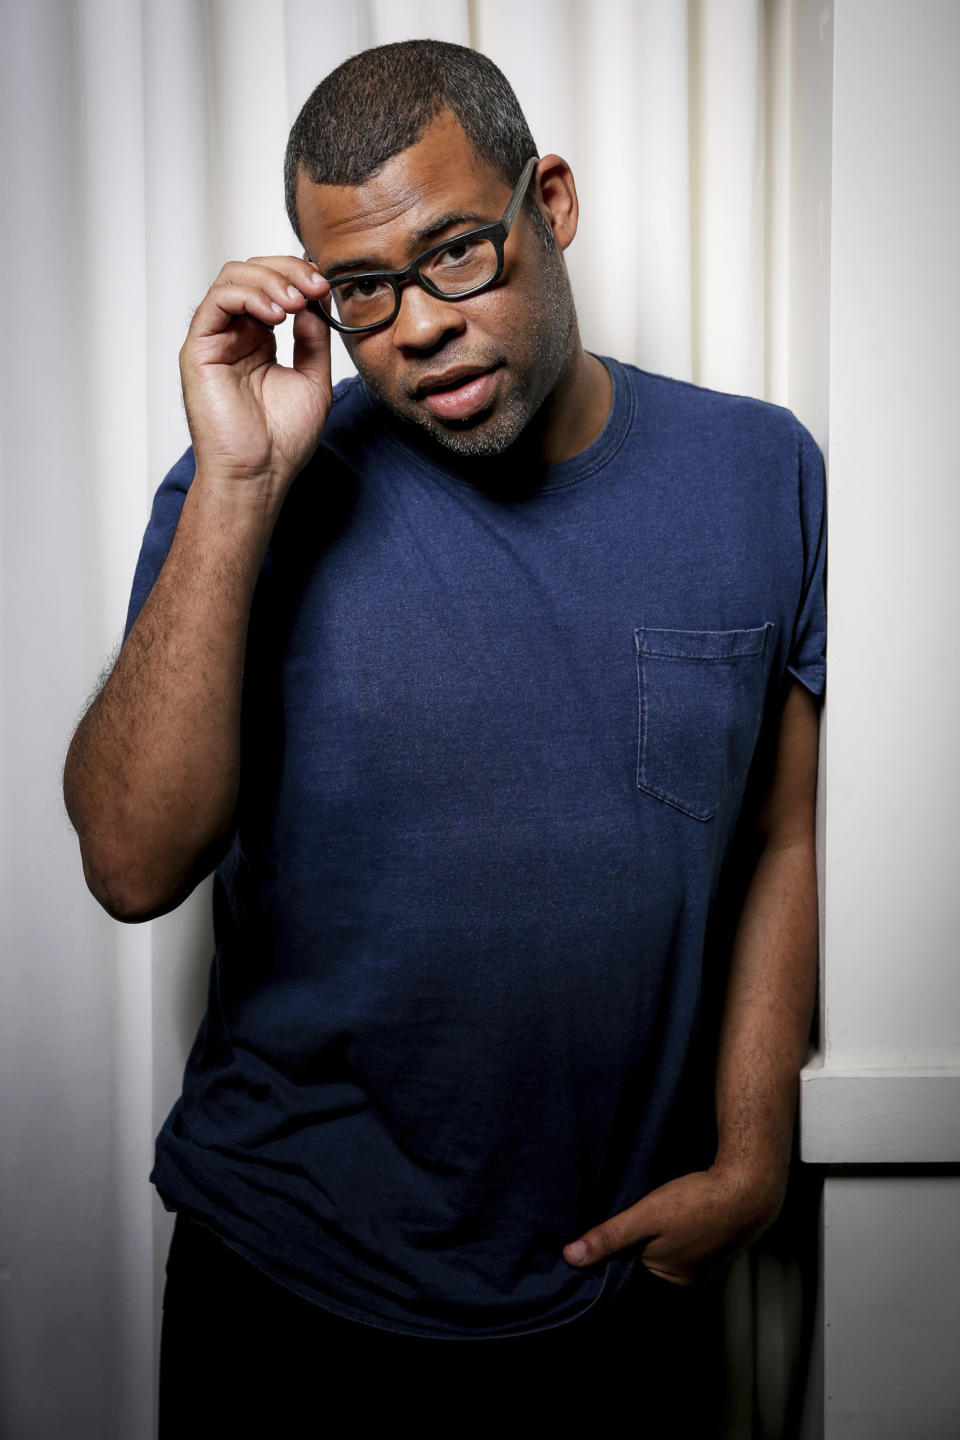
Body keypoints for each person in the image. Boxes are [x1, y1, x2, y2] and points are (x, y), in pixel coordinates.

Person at [64, 38, 825, 1434]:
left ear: (554, 201)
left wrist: (756, 1151)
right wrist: (240, 483)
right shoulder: (249, 487)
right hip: (286, 1296)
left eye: (458, 256)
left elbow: (782, 828)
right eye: (363, 290)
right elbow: (128, 862)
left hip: (612, 1296)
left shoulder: (760, 470)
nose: (414, 325)